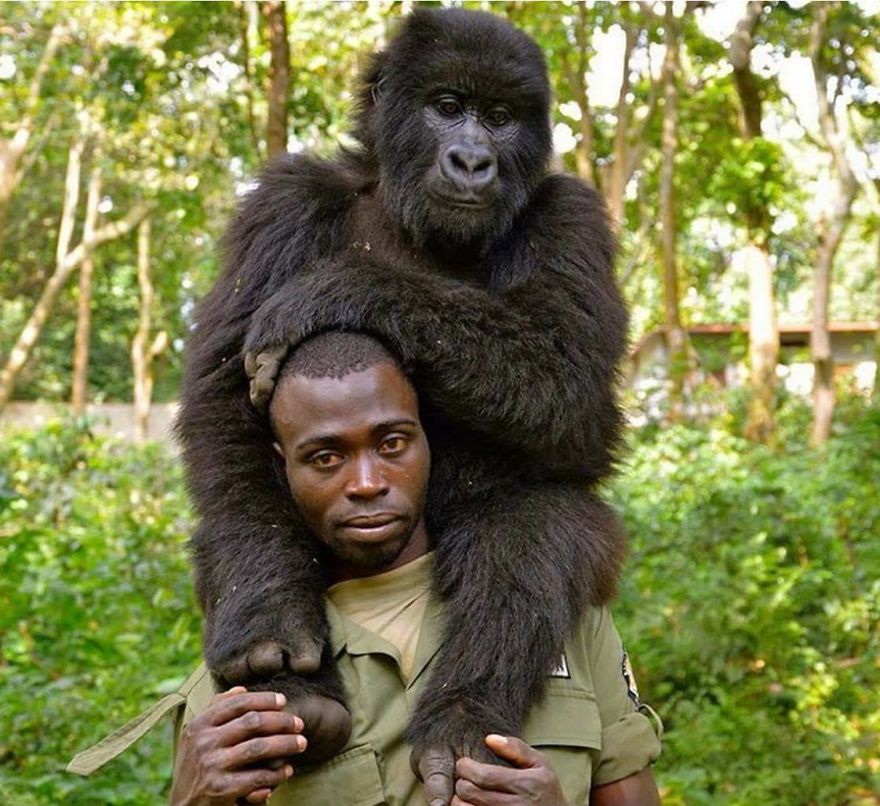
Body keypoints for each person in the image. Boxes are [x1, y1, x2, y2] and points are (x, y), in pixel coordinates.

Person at [68, 332, 661, 805]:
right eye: (326, 458)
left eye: (392, 443)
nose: (367, 483)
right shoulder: (254, 666)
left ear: (429, 436)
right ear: (284, 467)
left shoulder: (558, 611)